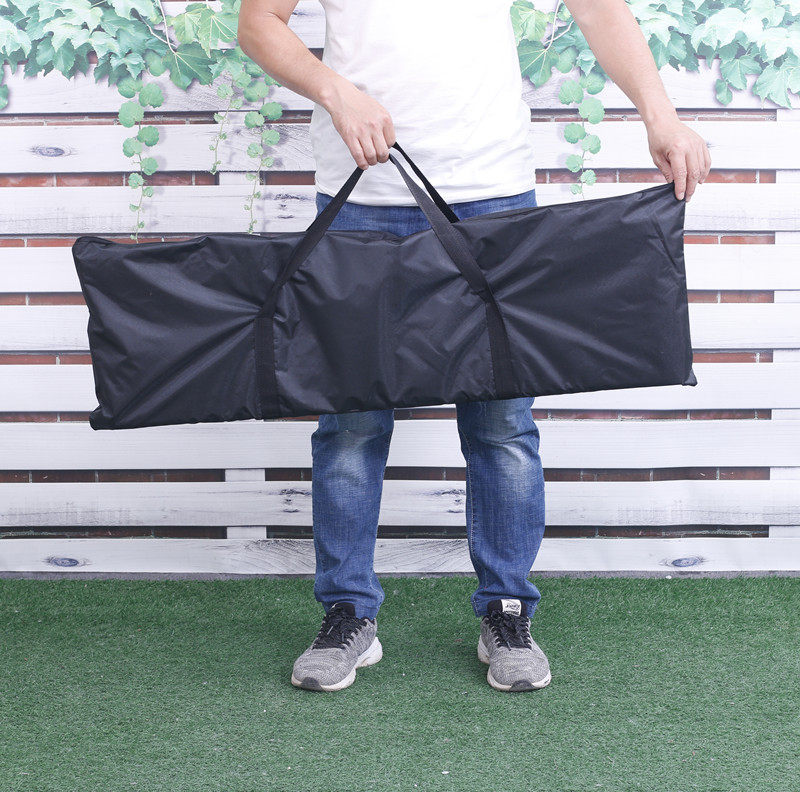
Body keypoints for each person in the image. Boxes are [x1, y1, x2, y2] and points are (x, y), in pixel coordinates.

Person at [237, 0, 711, 693]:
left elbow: (598, 9)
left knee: (501, 423)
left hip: (494, 194)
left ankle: (507, 610)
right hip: (359, 193)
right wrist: (336, 91)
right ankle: (347, 612)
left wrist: (660, 115)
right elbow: (258, 23)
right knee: (350, 423)